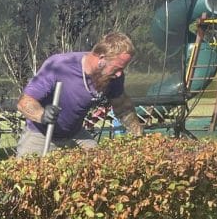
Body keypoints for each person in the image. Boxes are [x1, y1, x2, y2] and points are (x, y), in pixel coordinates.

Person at [15, 32, 144, 156]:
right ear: (102, 59)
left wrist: (140, 137)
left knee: (100, 166)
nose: (119, 74)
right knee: (28, 175)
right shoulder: (59, 66)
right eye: (117, 68)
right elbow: (24, 102)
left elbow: (123, 107)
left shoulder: (114, 76)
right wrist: (41, 114)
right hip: (41, 134)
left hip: (75, 134)